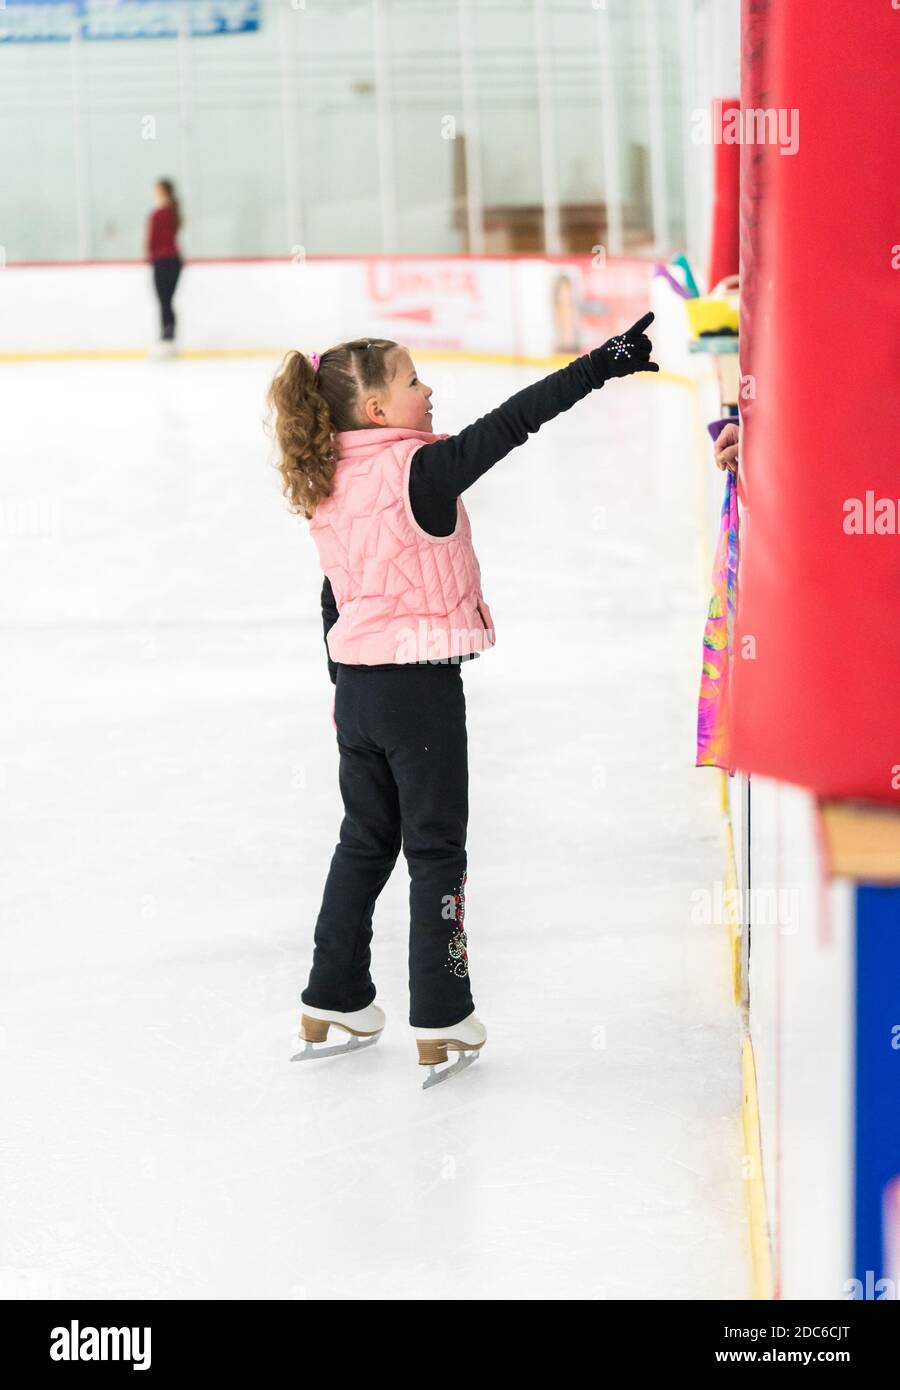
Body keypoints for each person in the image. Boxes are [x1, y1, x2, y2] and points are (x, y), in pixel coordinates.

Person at [266, 320, 658, 1083]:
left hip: (358, 692)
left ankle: (334, 993)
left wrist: (344, 685)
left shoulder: (327, 479)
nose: (429, 389)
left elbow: (333, 595)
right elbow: (513, 422)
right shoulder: (422, 471)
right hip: (419, 690)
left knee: (365, 841)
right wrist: (598, 366)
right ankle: (442, 1015)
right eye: (413, 382)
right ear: (377, 410)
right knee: (437, 853)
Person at [146, 179, 183, 355]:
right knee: (166, 300)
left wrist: (151, 257)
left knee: (164, 300)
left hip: (163, 261)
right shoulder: (172, 211)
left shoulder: (161, 213)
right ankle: (168, 336)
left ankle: (167, 338)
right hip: (173, 261)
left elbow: (153, 240)